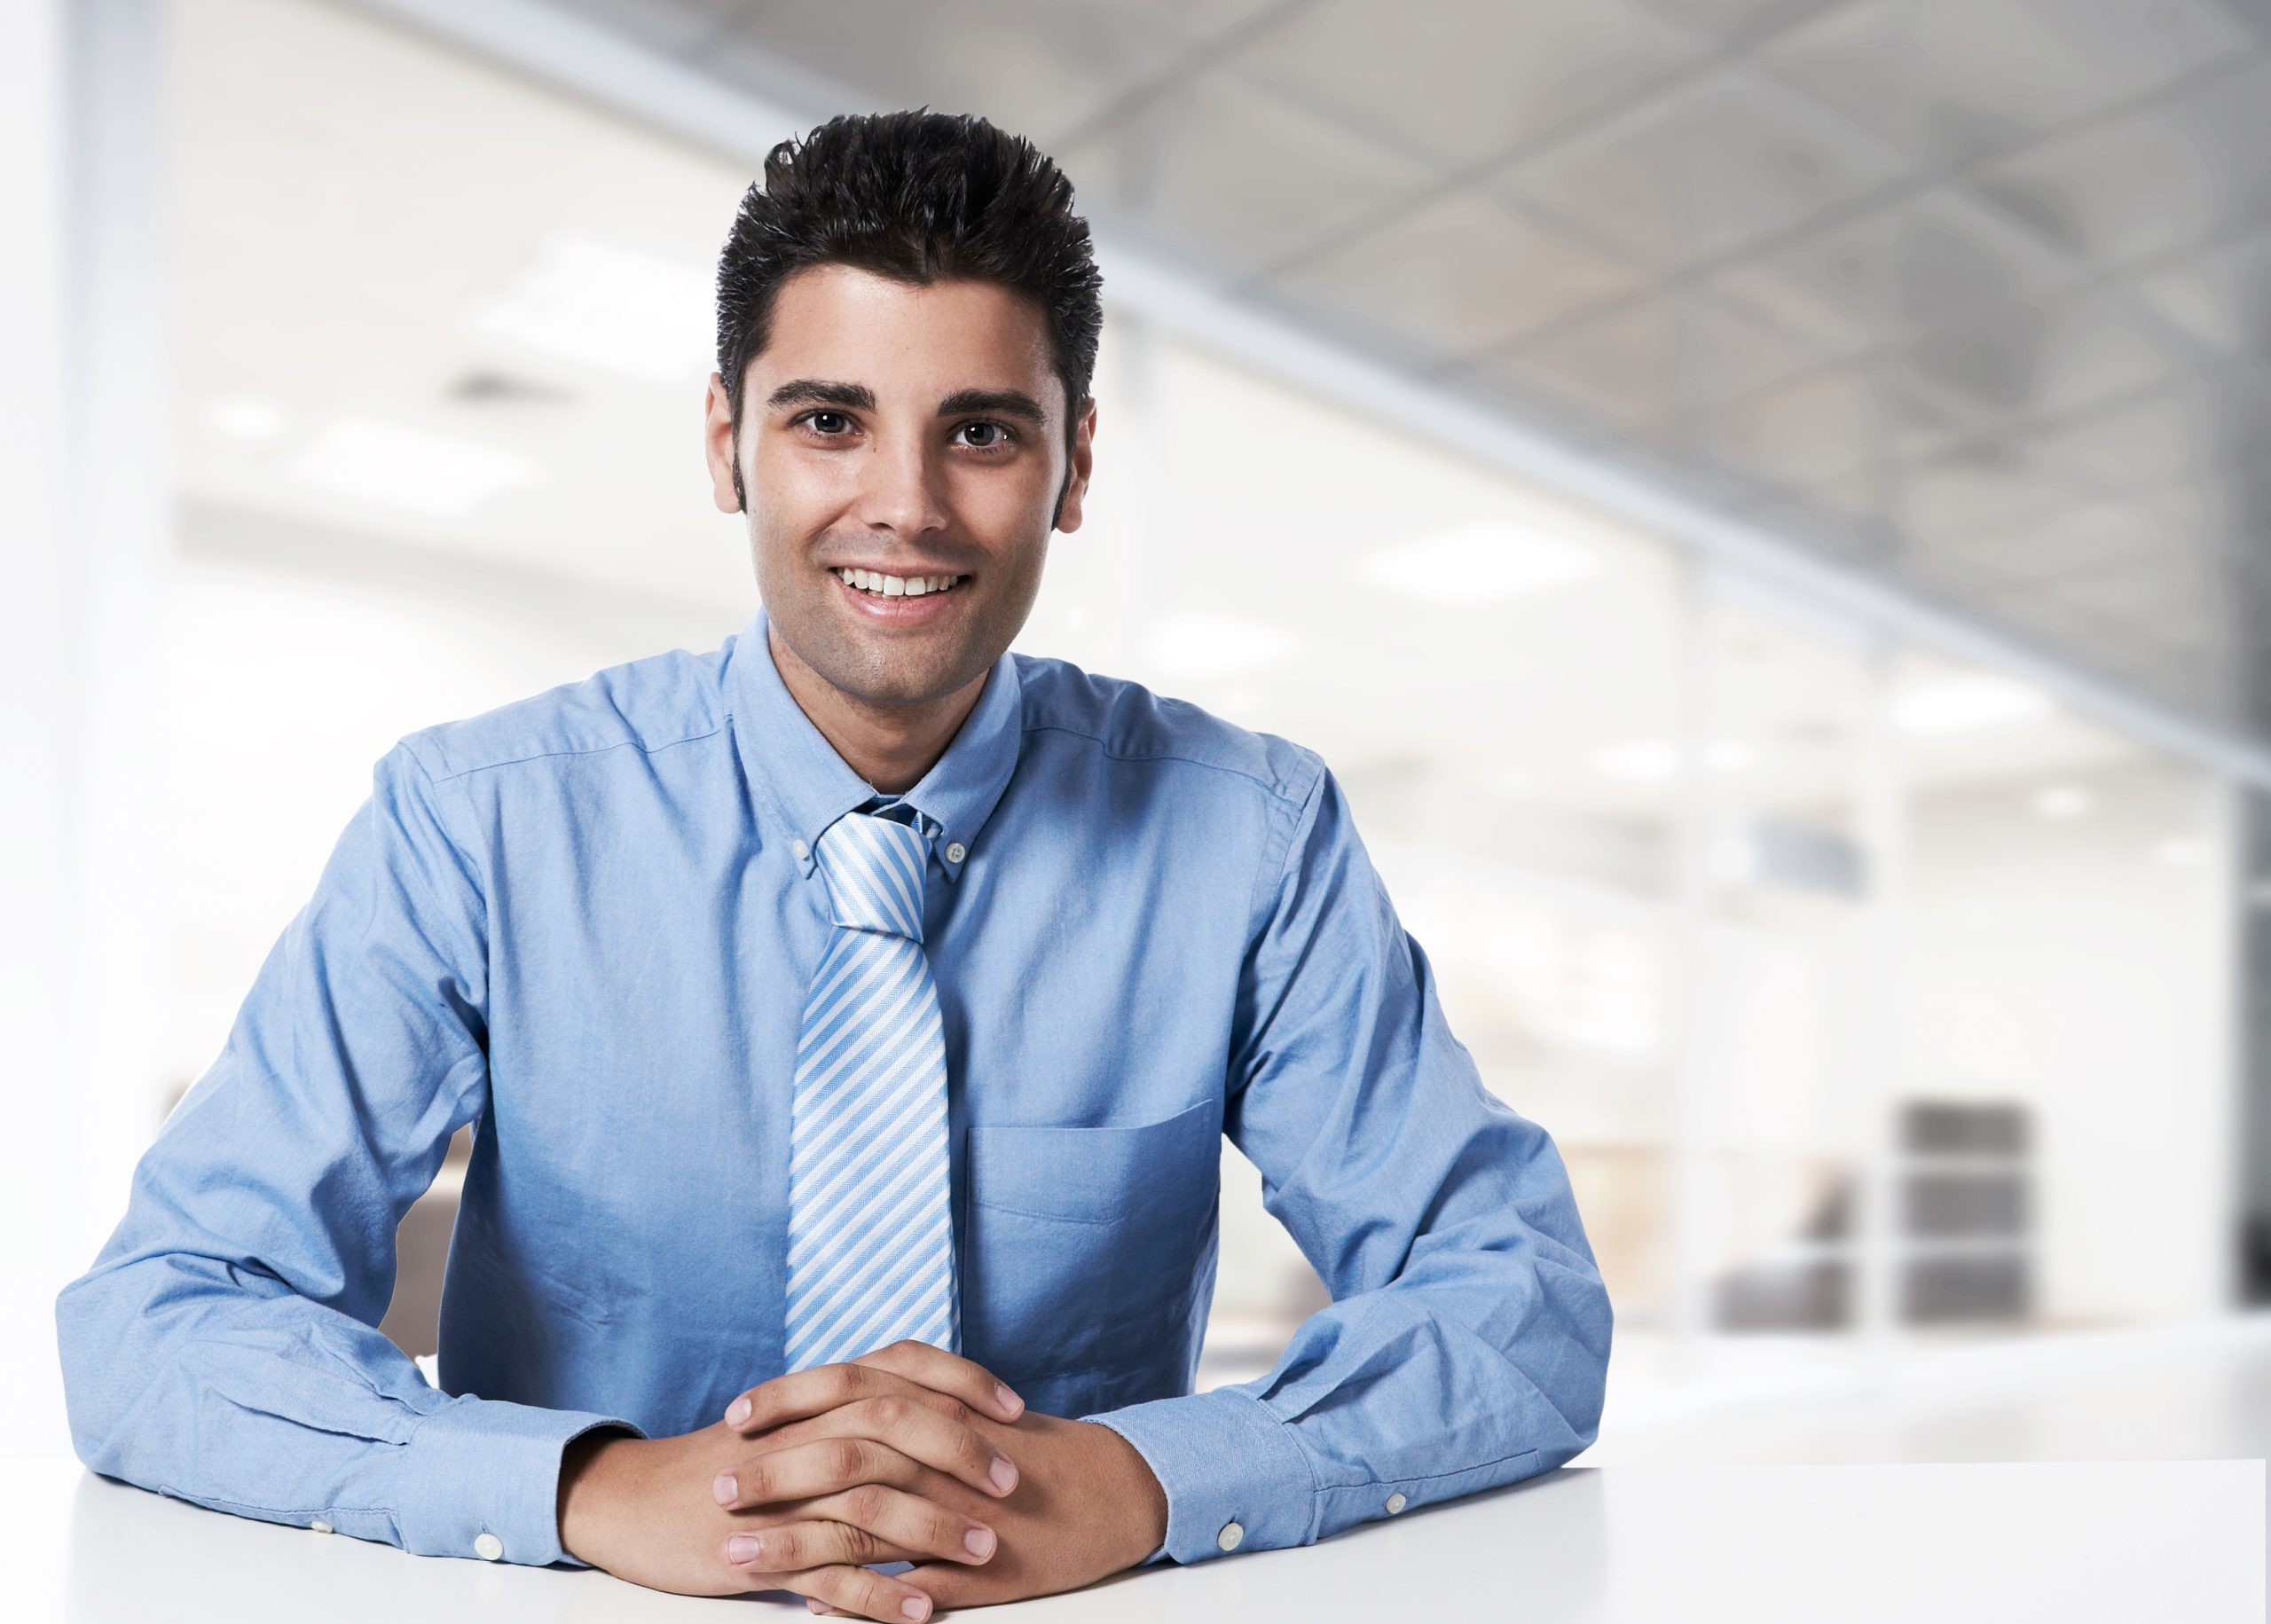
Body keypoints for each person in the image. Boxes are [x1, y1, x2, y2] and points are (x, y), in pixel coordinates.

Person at [54, 110, 1612, 1621]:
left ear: (1073, 469)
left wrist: (1147, 1481)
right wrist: (584, 1489)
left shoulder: (1250, 841)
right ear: (730, 443)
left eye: (983, 432)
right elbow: (158, 1324)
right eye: (828, 419)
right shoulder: (480, 822)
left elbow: (1523, 1309)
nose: (907, 507)